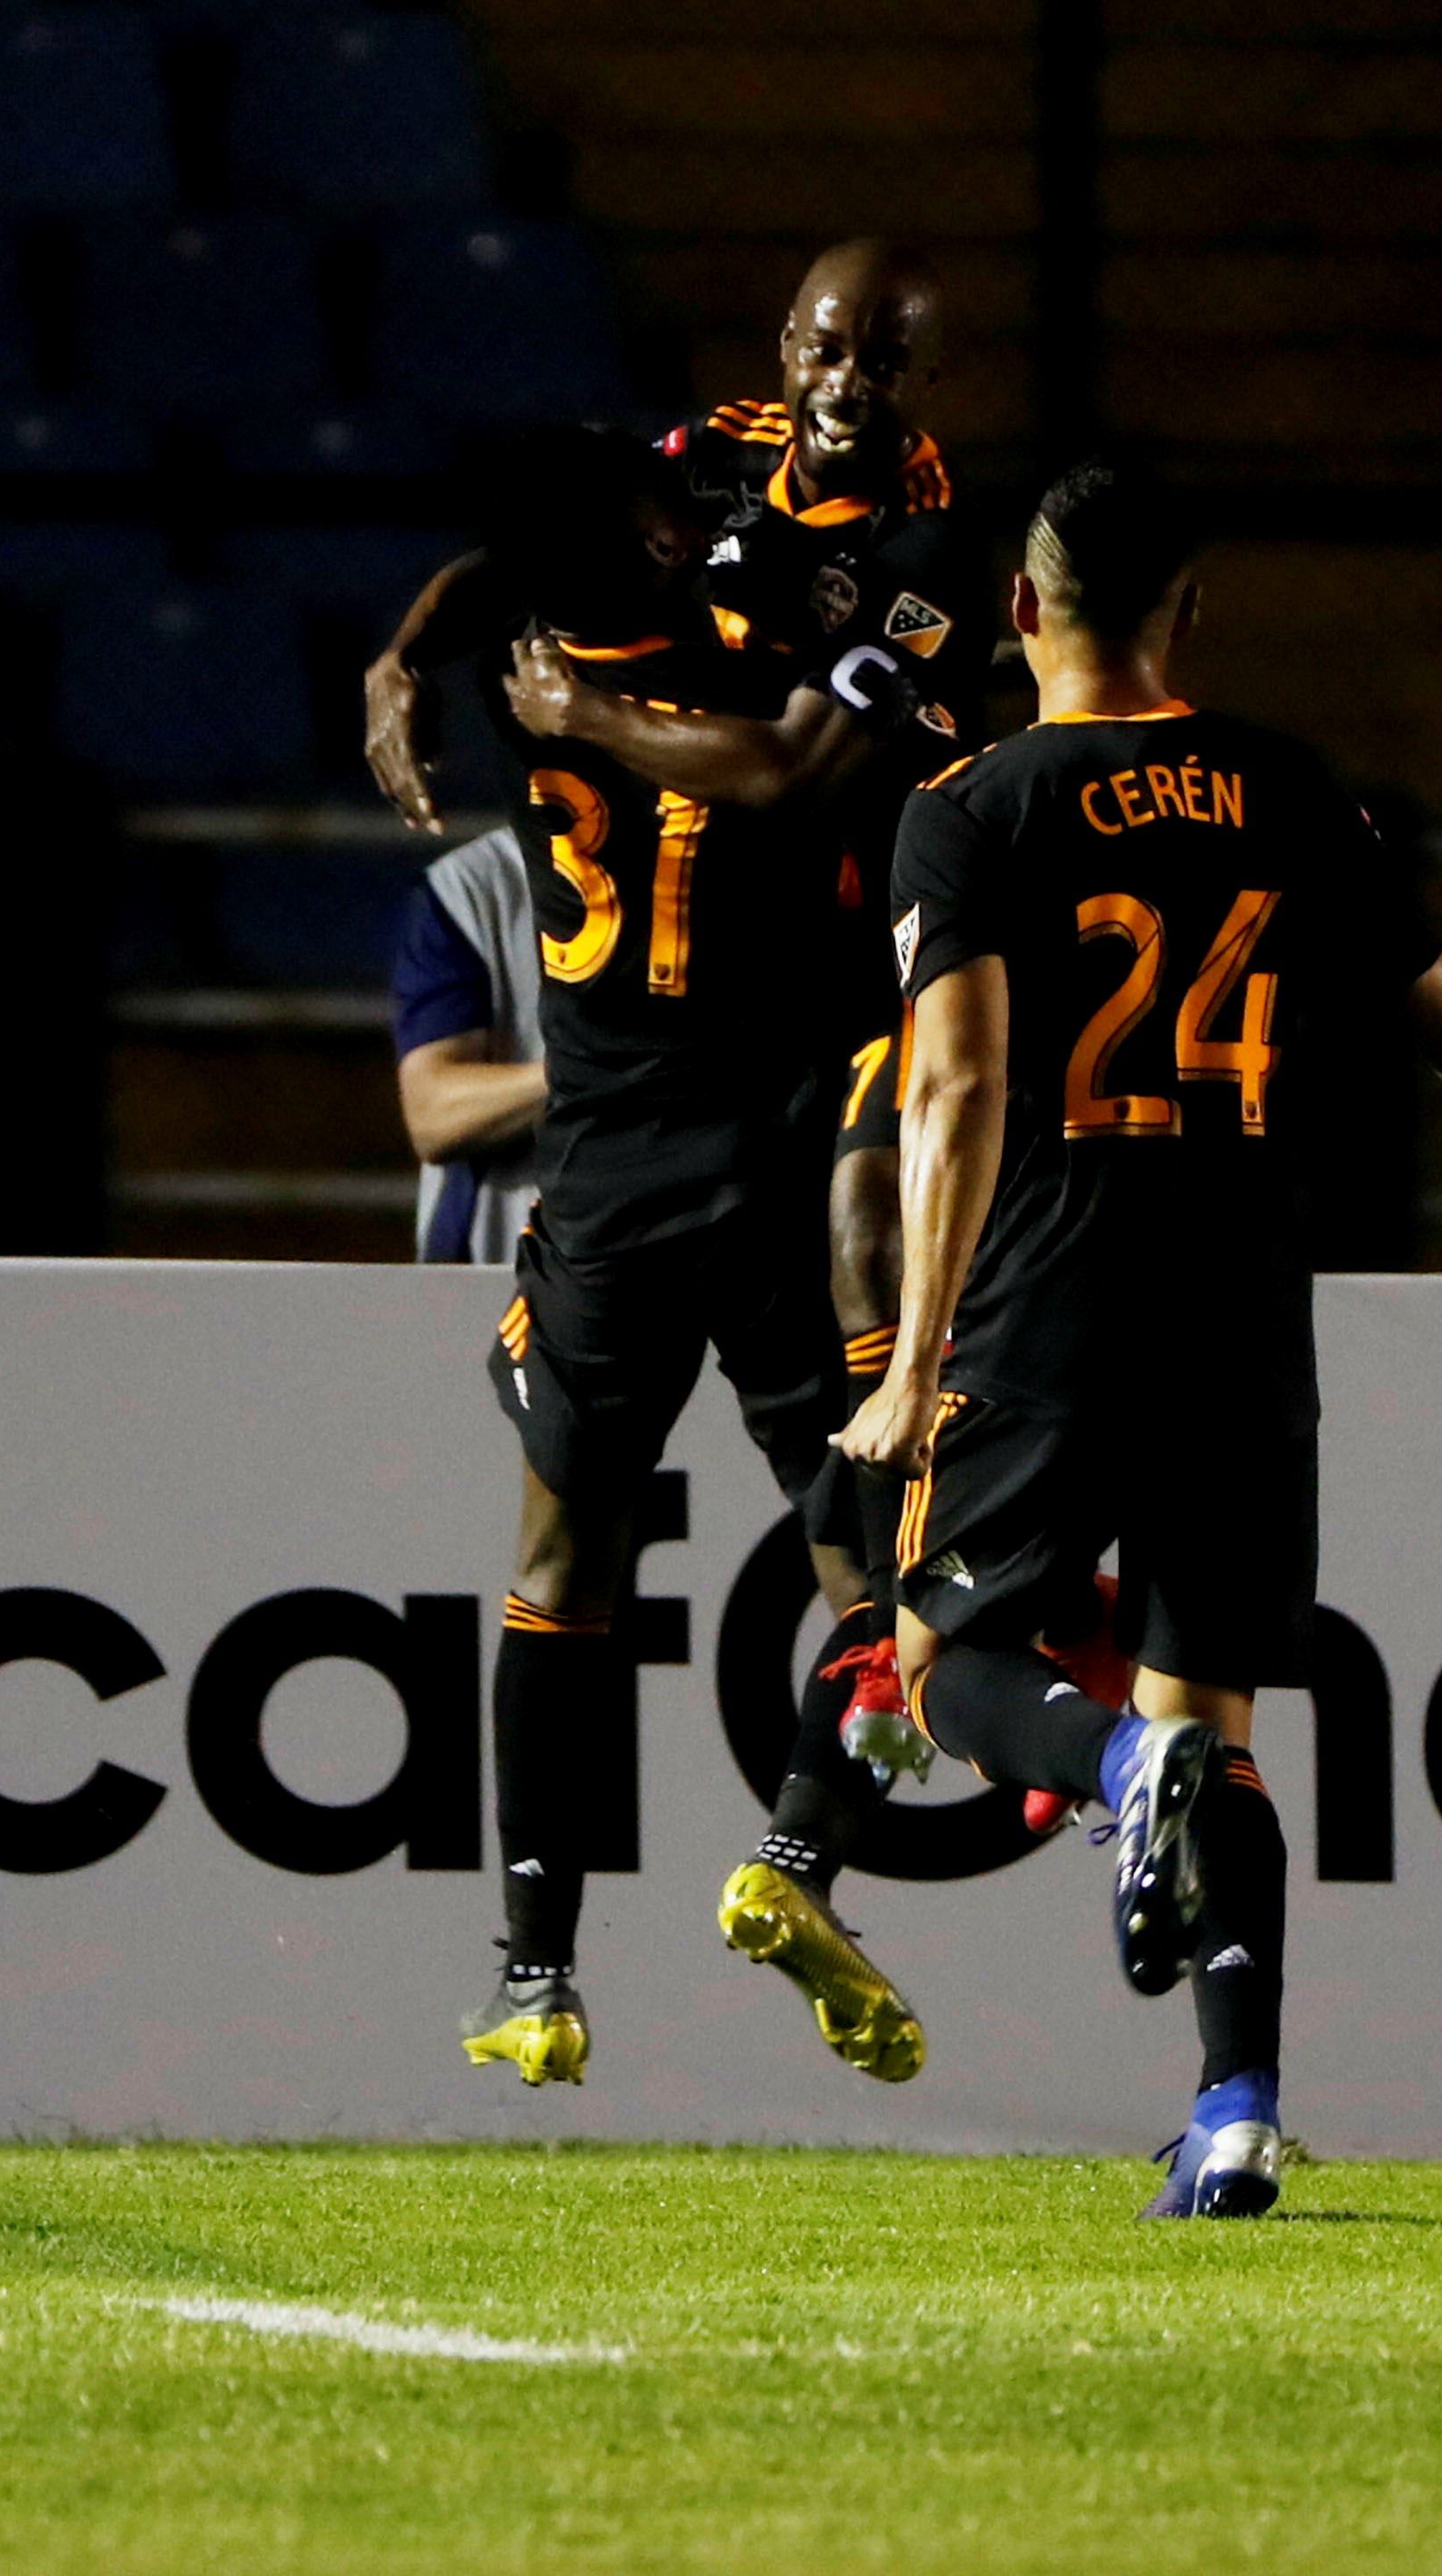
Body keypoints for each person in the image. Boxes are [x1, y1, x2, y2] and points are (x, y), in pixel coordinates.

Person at [838, 464, 1442, 2218]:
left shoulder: (968, 807)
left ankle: (1124, 1766)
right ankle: (1236, 2106)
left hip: (1049, 1296)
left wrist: (910, 1359)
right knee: (1225, 1709)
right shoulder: (1290, 787)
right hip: (1240, 1312)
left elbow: (962, 1082)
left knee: (945, 1665)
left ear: (1022, 614)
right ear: (1186, 615)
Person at [364, 242, 1004, 2062]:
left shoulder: (923, 560)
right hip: (748, 1114)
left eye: (884, 353)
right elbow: (564, 550)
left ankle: (561, 1955)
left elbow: (788, 759)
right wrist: (406, 644)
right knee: (850, 1545)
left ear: (925, 377)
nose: (844, 379)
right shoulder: (692, 534)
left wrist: (500, 683)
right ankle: (729, 1889)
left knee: (587, 1545)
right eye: (822, 345)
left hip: (681, 1129)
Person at [388, 826, 546, 1264]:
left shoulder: (728, 873)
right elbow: (433, 1111)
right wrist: (598, 1071)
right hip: (493, 1273)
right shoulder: (476, 883)